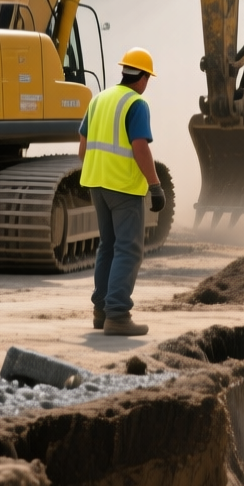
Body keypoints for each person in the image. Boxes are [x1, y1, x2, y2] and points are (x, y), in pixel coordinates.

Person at [78, 48, 165, 336]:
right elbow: (140, 147)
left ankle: (101, 311)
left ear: (124, 72)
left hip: (96, 184)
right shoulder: (136, 104)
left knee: (108, 246)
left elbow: (83, 144)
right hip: (123, 188)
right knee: (128, 249)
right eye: (148, 78)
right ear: (142, 77)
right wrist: (155, 185)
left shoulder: (99, 99)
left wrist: (96, 171)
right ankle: (118, 314)